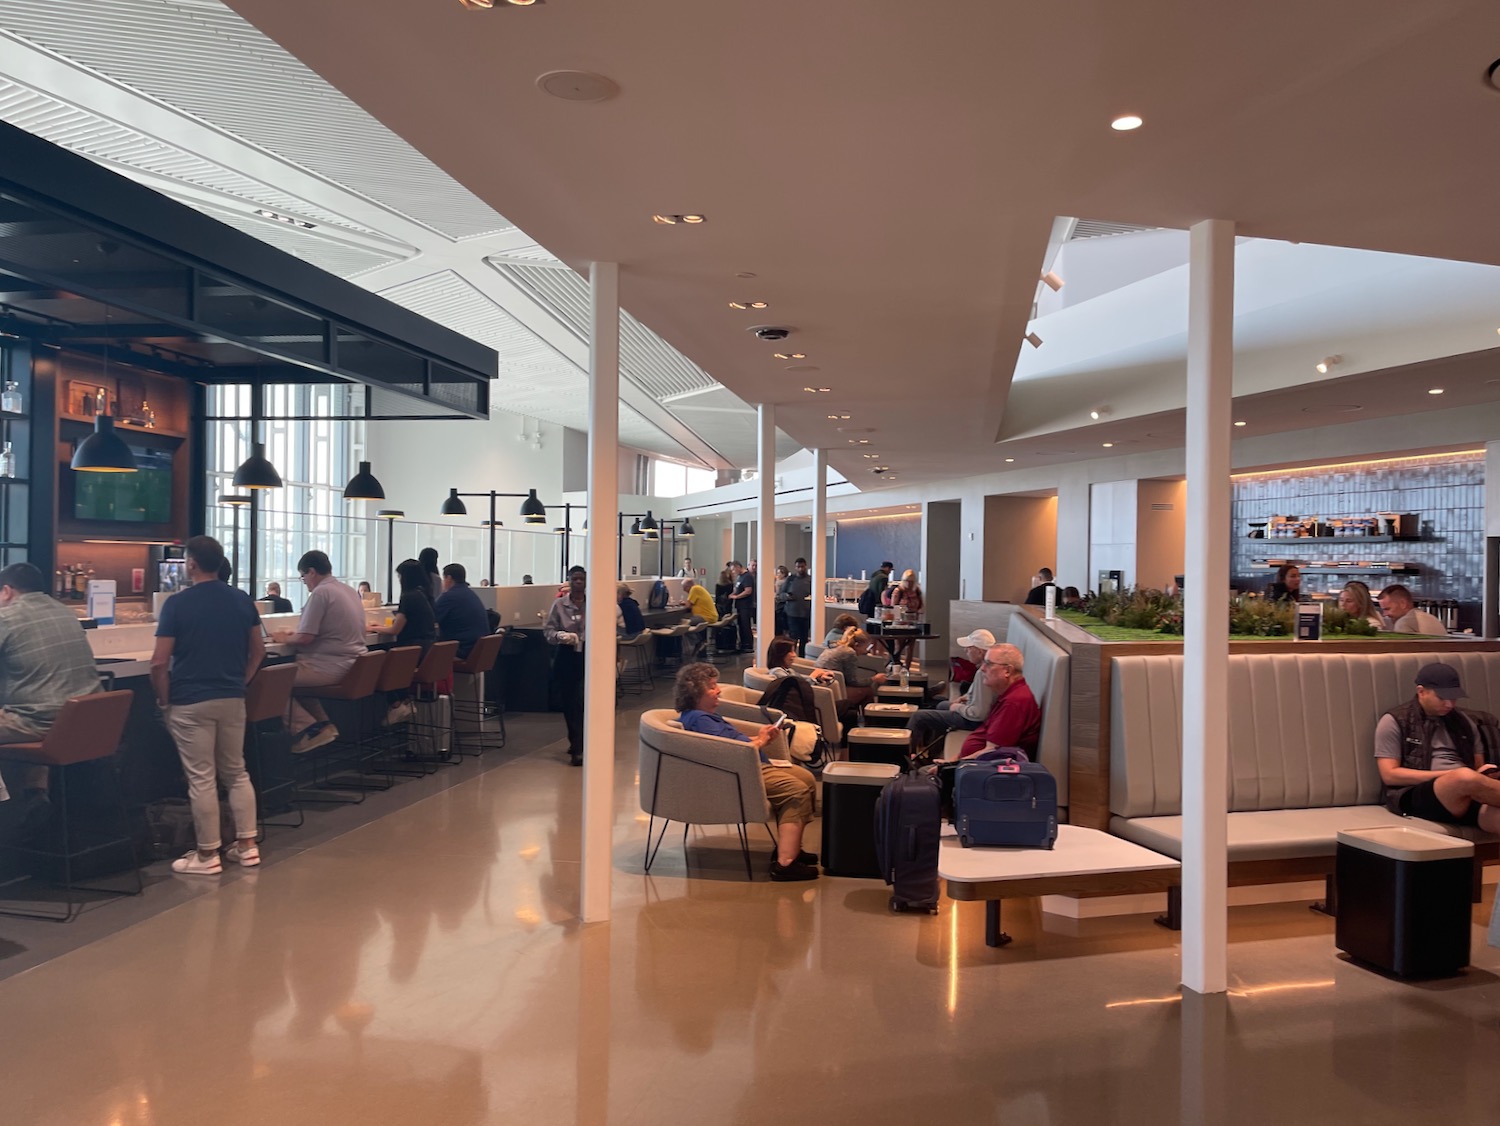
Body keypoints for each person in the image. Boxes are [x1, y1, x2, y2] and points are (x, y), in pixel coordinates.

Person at [149, 536, 264, 875]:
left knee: (202, 778)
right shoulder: (242, 600)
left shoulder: (177, 604)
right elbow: (258, 651)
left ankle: (206, 854)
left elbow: (158, 662)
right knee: (236, 772)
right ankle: (247, 846)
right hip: (231, 697)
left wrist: (163, 697)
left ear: (192, 564)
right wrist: (240, 681)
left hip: (190, 700)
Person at [675, 662, 818, 881]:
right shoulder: (700, 719)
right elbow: (729, 751)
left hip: (748, 766)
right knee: (795, 790)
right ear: (696, 692)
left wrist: (760, 738)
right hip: (741, 773)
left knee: (806, 778)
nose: (718, 690)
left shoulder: (704, 717)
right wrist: (760, 740)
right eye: (712, 687)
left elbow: (730, 742)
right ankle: (785, 864)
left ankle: (790, 847)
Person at [0, 562, 102, 814]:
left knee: (26, 712)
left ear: (6, 591)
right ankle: (35, 795)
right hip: (84, 722)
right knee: (29, 705)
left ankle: (11, 814)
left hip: (41, 724)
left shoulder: (6, 617)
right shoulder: (66, 613)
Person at [1374, 662, 1500, 834]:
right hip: (1417, 794)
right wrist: (1452, 776)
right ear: (1421, 691)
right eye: (1442, 698)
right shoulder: (1396, 720)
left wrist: (1484, 773)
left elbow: (1477, 768)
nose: (1449, 704)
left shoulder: (1465, 722)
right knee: (1463, 777)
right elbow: (1390, 775)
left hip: (1466, 794)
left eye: (1454, 698)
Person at [272, 550, 367, 753]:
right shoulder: (348, 590)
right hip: (355, 665)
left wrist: (284, 638)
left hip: (328, 667)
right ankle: (322, 726)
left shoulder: (321, 593)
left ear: (312, 572)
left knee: (274, 682)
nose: (304, 582)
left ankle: (306, 729)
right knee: (297, 682)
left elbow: (306, 637)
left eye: (303, 576)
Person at [906, 629, 997, 757]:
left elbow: (979, 714)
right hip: (974, 714)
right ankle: (932, 754)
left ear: (980, 651)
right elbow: (981, 697)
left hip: (973, 721)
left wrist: (958, 707)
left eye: (969, 648)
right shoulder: (984, 670)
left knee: (918, 717)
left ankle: (905, 757)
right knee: (941, 704)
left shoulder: (983, 673)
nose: (966, 651)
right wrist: (965, 697)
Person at [375, 558, 438, 725]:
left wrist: (375, 628)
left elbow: (395, 630)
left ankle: (396, 705)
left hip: (412, 651)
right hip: (425, 650)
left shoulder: (408, 597)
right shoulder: (424, 595)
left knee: (376, 666)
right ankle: (405, 702)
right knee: (394, 665)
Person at [959, 643, 1042, 760]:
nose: (982, 668)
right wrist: (953, 759)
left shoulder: (1014, 704)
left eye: (988, 664)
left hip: (980, 772)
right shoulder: (1009, 694)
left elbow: (990, 754)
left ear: (1007, 671)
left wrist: (948, 766)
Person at [544, 566, 587, 766]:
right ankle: (577, 747)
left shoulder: (594, 603)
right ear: (569, 581)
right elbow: (549, 630)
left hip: (589, 654)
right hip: (567, 655)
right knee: (571, 703)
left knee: (585, 702)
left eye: (581, 579)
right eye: (574, 579)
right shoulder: (559, 604)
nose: (578, 582)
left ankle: (585, 741)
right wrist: (560, 636)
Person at [815, 627, 888, 708]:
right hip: (834, 690)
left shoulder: (835, 647)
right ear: (857, 645)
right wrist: (874, 679)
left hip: (821, 687)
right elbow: (853, 682)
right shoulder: (850, 653)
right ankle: (870, 718)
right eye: (865, 648)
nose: (866, 651)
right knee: (868, 690)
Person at [433, 562, 491, 658]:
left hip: (463, 649)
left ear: (449, 578)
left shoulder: (448, 597)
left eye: (444, 579)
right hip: (478, 649)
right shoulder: (470, 594)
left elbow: (430, 618)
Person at [1377, 584, 1447, 635]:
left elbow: (1403, 653)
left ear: (1403, 603)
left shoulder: (1404, 623)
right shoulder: (1432, 618)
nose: (1385, 614)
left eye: (1387, 609)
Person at [782, 557, 813, 656]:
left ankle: (803, 658)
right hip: (792, 613)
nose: (800, 569)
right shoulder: (790, 579)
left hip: (806, 613)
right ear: (795, 567)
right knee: (793, 637)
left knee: (804, 638)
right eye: (798, 567)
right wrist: (787, 596)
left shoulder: (810, 580)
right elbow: (781, 594)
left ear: (806, 567)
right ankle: (792, 656)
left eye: (802, 567)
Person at [728, 560, 756, 653]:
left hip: (746, 606)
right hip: (740, 605)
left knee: (745, 625)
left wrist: (736, 597)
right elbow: (737, 589)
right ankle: (742, 644)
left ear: (738, 567)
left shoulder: (747, 576)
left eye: (733, 570)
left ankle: (748, 645)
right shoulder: (740, 577)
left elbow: (748, 591)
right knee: (741, 625)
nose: (733, 572)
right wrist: (731, 594)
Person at [772, 565, 791, 638]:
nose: (778, 574)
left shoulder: (782, 582)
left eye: (779, 573)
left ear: (783, 574)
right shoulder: (780, 581)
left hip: (780, 603)